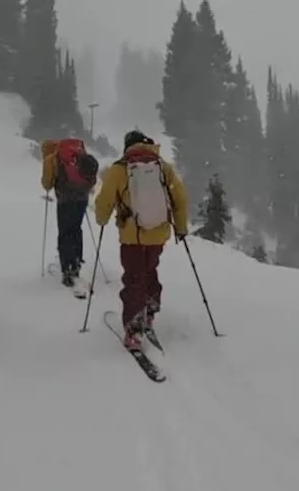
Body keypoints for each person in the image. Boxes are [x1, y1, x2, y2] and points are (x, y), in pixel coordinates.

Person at [93, 131, 189, 349]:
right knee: (149, 269)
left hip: (132, 235)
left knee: (134, 277)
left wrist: (101, 219)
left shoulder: (120, 169)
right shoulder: (162, 167)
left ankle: (135, 329)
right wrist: (181, 227)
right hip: (158, 231)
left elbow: (105, 200)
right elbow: (180, 199)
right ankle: (150, 309)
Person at [40, 138, 99, 286]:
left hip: (65, 200)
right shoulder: (76, 153)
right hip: (82, 198)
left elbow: (47, 184)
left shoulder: (51, 159)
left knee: (65, 232)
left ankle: (68, 268)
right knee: (76, 228)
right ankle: (77, 262)